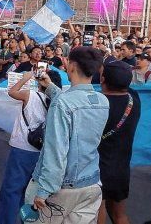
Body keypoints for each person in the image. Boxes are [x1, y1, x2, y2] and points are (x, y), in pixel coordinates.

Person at [27, 47, 110, 223]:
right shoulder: (102, 101)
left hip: (61, 188)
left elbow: (56, 151)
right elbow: (76, 104)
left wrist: (44, 190)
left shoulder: (63, 104)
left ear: (71, 65)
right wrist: (50, 87)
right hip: (91, 183)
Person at [0, 70, 61, 224]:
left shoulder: (31, 95)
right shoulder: (57, 101)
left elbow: (12, 92)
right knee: (29, 192)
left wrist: (24, 79)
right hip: (41, 151)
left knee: (11, 191)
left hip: (22, 147)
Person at [97, 61, 141, 224]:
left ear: (103, 79)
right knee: (119, 215)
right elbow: (125, 87)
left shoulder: (98, 104)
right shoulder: (134, 99)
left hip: (98, 168)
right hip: (122, 168)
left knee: (97, 212)